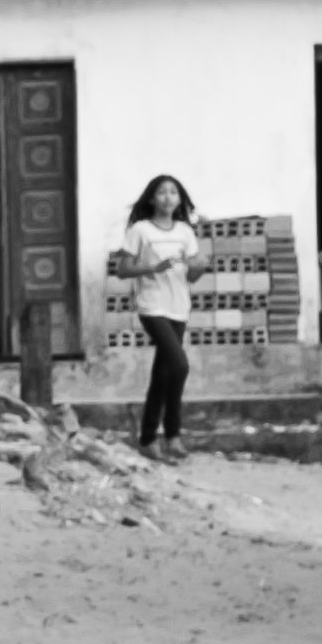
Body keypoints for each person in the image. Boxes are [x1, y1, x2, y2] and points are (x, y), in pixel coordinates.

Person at [113, 174, 199, 456]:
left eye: (173, 192)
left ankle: (151, 439)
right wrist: (152, 268)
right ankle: (171, 433)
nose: (167, 197)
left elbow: (194, 275)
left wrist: (201, 265)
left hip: (179, 306)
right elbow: (122, 269)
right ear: (151, 198)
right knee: (180, 365)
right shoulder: (140, 230)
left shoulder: (186, 232)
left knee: (163, 373)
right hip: (152, 306)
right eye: (162, 192)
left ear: (180, 199)